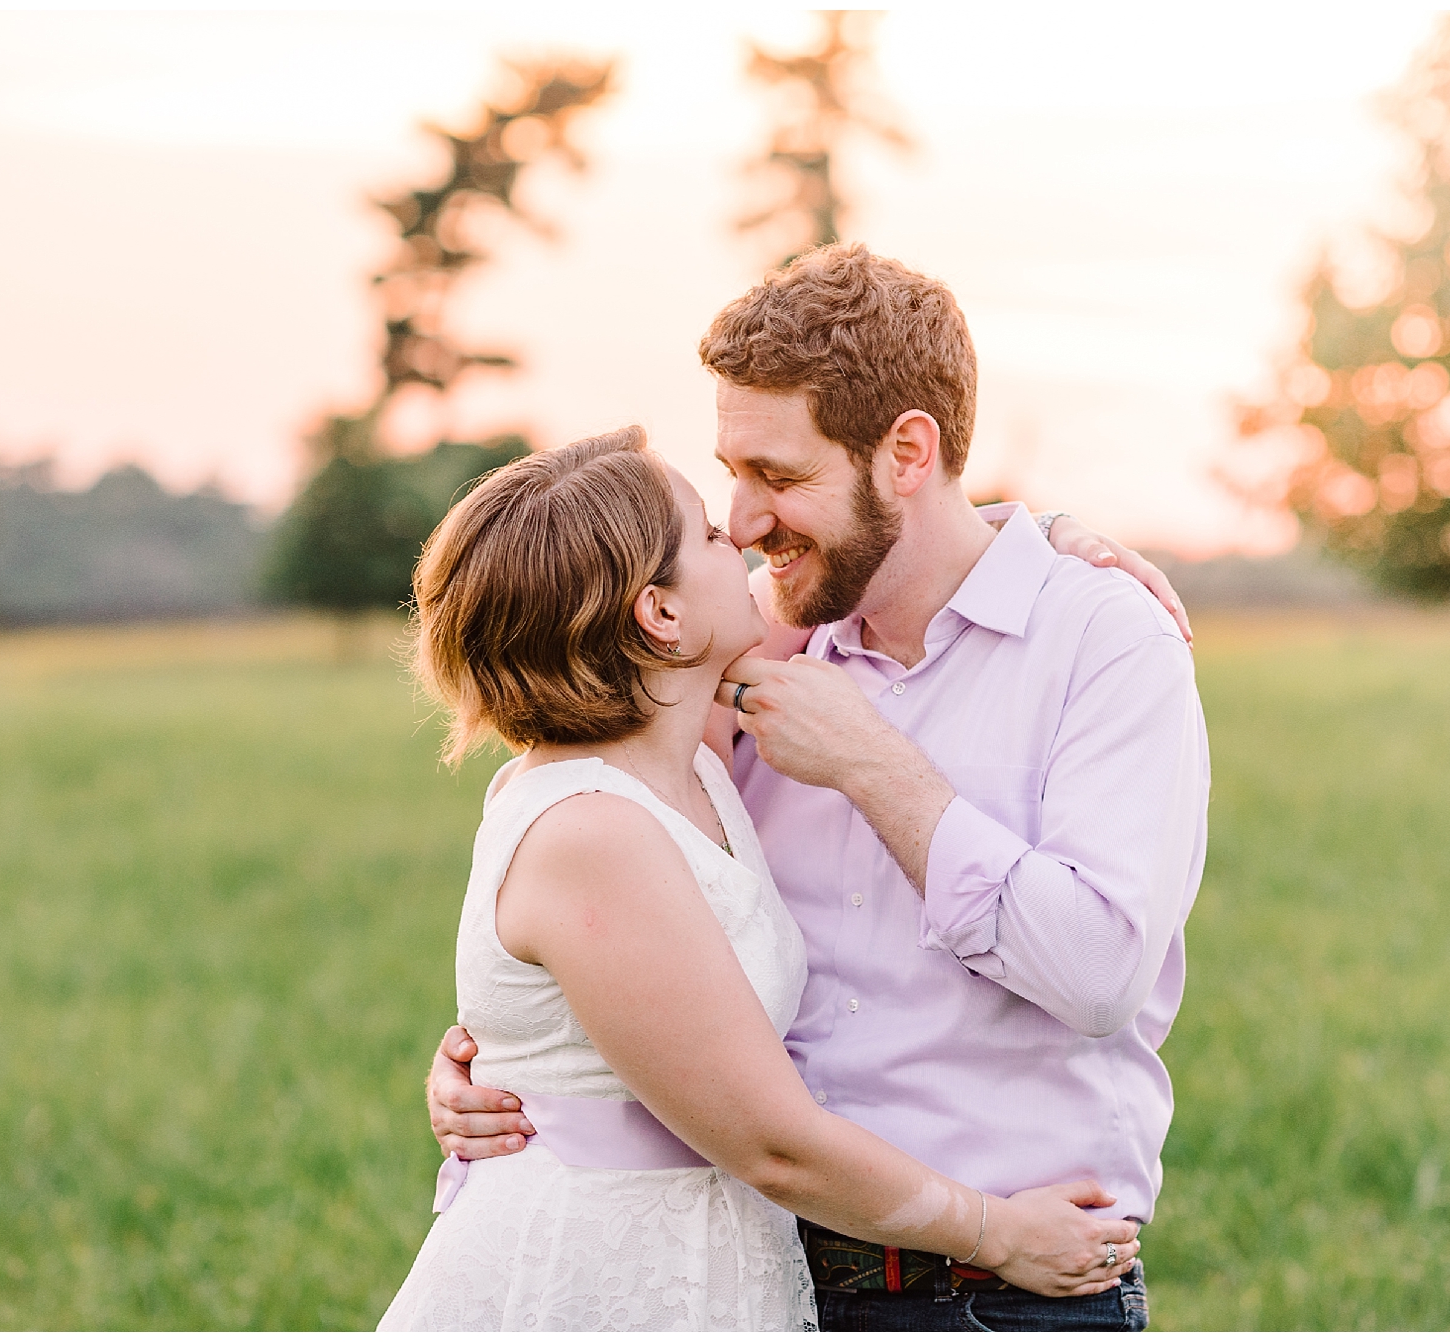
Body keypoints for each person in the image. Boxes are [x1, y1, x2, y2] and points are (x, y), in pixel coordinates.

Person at [429, 246, 1210, 1332]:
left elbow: (1093, 973)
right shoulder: (747, 644)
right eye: (729, 477)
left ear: (905, 452)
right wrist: (512, 1062)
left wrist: (871, 765)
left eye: (779, 478)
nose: (743, 522)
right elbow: (601, 855)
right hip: (753, 1271)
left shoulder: (1103, 642)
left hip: (1003, 1288)